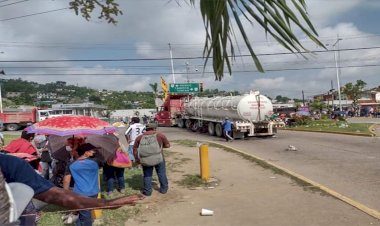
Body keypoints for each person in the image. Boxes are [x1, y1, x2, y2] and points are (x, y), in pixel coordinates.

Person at [0, 153, 143, 224]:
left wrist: (107, 204)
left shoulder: (9, 164)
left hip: (82, 195)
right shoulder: (88, 164)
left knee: (84, 216)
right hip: (86, 194)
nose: (93, 151)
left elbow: (58, 192)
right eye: (90, 150)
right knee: (84, 216)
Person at [64, 143, 101, 226]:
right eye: (92, 150)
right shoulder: (96, 162)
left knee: (84, 215)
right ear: (85, 152)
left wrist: (66, 193)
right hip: (94, 192)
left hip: (80, 194)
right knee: (84, 213)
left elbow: (66, 181)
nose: (94, 152)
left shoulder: (71, 165)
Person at [133, 123, 170, 196]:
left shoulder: (139, 137)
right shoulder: (160, 135)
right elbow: (168, 145)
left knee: (147, 175)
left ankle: (147, 192)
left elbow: (134, 149)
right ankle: (164, 189)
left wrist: (137, 159)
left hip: (145, 159)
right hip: (159, 158)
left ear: (146, 129)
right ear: (154, 129)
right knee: (161, 173)